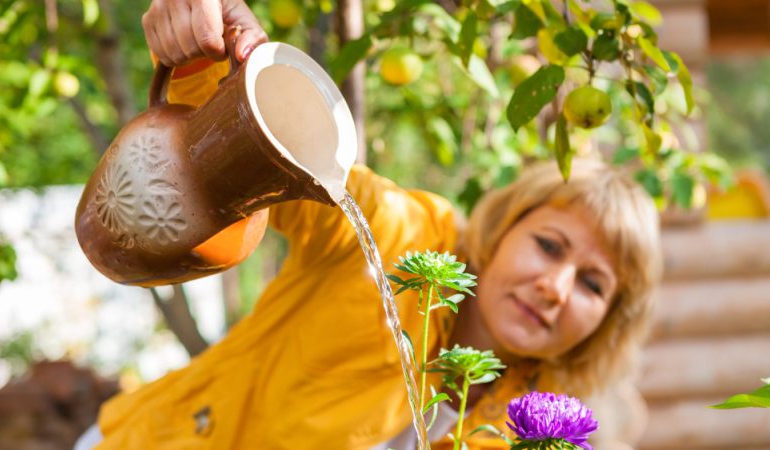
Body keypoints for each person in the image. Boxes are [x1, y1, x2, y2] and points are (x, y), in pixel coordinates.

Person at [77, 1, 663, 449]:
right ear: (506, 225)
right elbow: (257, 144)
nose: (554, 288)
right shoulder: (395, 235)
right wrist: (210, 44)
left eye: (593, 284)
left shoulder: (537, 424)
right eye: (549, 245)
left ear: (610, 321)